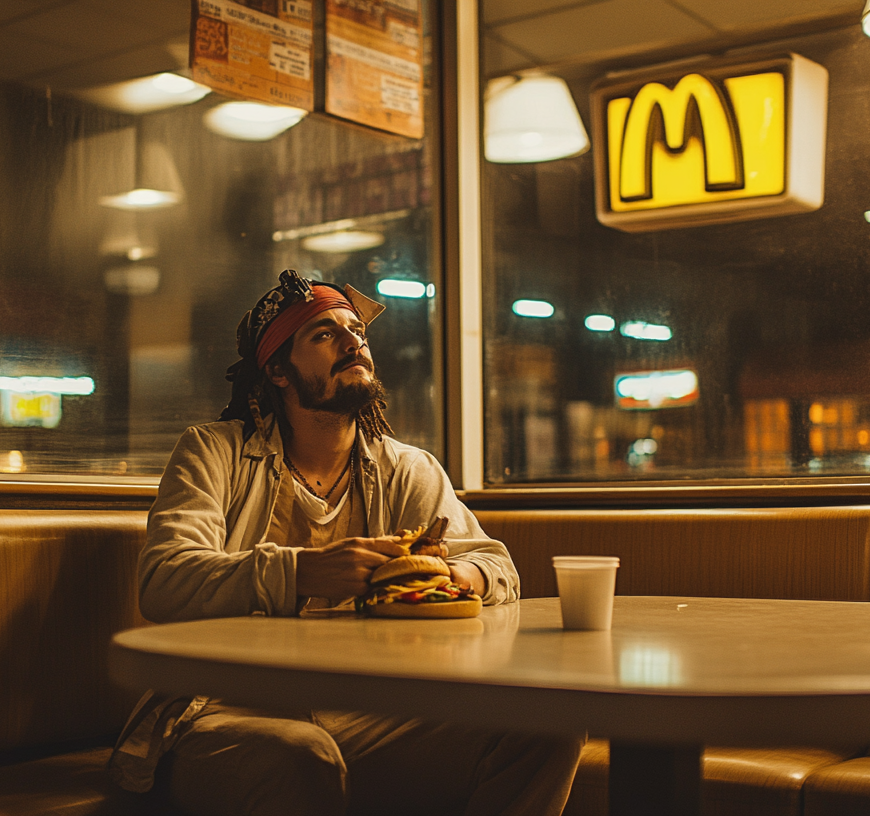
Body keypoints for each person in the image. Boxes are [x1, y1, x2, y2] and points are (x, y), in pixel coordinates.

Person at [108, 270, 584, 816]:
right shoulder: (212, 452)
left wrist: (449, 576)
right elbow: (165, 580)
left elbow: (496, 566)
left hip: (364, 710)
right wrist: (307, 572)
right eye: (324, 334)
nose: (353, 340)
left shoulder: (407, 467)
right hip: (220, 709)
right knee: (302, 755)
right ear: (279, 372)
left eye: (356, 330)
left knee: (546, 726)